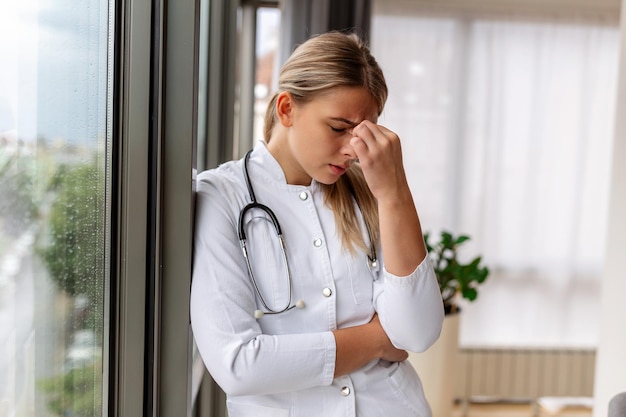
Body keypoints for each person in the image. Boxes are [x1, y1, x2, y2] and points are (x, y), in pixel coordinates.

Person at [190, 31, 444, 417]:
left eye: (361, 134)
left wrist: (396, 196)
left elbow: (417, 332)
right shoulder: (222, 197)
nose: (351, 150)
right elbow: (239, 365)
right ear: (287, 109)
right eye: (338, 128)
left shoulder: (372, 194)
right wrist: (375, 339)